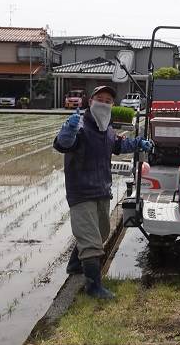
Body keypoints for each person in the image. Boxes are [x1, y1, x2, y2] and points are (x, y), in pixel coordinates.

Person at [53, 85, 153, 299]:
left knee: (101, 232)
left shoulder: (106, 129)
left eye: (108, 100)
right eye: (100, 99)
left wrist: (138, 143)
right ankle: (93, 286)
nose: (104, 103)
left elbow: (119, 144)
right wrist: (68, 130)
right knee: (90, 239)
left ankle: (74, 265)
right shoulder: (79, 126)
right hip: (81, 192)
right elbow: (63, 144)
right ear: (91, 101)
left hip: (101, 190)